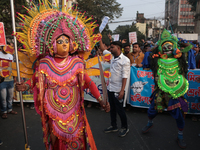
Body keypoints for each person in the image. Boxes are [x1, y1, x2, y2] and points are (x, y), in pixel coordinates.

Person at [15, 1, 110, 149]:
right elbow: (34, 81)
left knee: (77, 143)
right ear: (53, 45)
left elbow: (90, 83)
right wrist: (24, 86)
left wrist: (101, 99)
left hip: (75, 112)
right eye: (60, 41)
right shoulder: (45, 64)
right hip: (54, 114)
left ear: (72, 43)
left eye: (67, 40)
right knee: (58, 144)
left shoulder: (77, 63)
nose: (64, 44)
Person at [141, 29, 193, 149]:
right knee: (152, 110)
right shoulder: (157, 59)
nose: (168, 48)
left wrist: (179, 43)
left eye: (170, 46)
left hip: (176, 91)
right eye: (165, 46)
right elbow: (148, 53)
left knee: (179, 114)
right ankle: (150, 123)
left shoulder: (180, 59)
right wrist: (156, 45)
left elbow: (189, 47)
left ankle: (180, 136)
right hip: (161, 90)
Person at [104, 41, 130, 137]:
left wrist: (122, 90)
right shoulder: (111, 57)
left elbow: (125, 76)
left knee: (120, 110)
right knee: (112, 109)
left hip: (118, 90)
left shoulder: (125, 60)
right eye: (110, 47)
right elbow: (103, 48)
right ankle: (113, 126)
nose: (110, 49)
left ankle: (125, 127)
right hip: (110, 88)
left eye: (112, 47)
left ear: (118, 48)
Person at [0, 44, 17, 119]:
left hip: (10, 80)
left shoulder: (11, 55)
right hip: (2, 81)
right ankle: (4, 111)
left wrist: (15, 77)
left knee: (10, 96)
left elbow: (13, 67)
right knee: (3, 98)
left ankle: (10, 109)